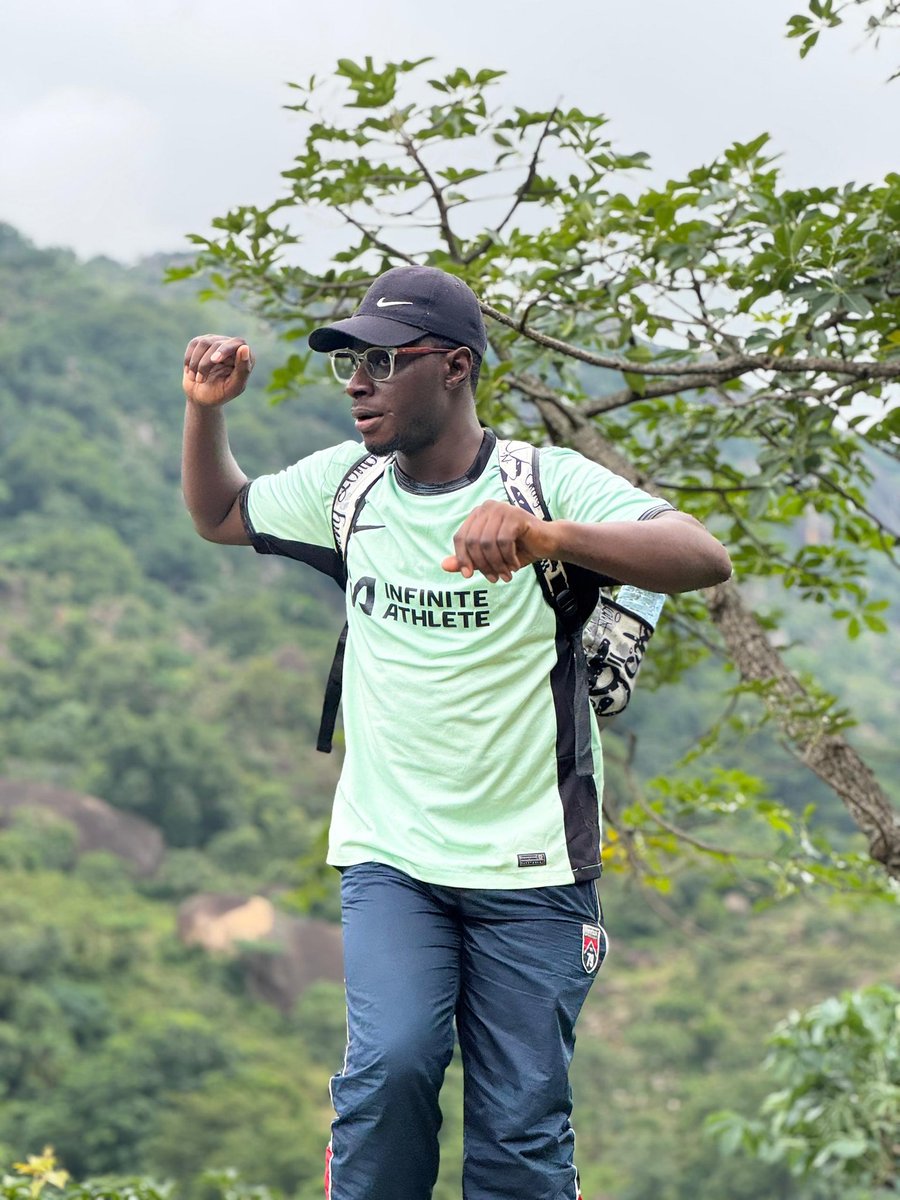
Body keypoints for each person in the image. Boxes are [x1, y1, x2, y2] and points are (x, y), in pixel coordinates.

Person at [181, 265, 732, 1200]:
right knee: (390, 1072)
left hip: (534, 864)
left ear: (454, 369)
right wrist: (204, 413)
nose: (358, 381)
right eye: (348, 363)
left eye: (382, 361)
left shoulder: (541, 480)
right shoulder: (349, 489)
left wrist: (547, 537)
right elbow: (223, 513)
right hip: (393, 854)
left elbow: (700, 555)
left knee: (520, 1127)